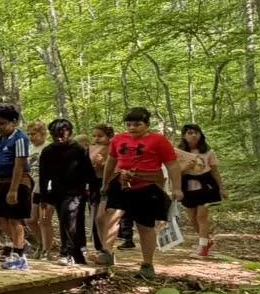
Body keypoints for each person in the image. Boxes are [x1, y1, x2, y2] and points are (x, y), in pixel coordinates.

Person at [94, 106, 182, 281]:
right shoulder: (119, 139)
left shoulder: (158, 140)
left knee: (145, 226)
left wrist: (177, 188)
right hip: (121, 184)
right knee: (110, 215)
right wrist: (105, 182)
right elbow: (111, 161)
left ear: (147, 124)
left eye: (137, 124)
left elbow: (172, 164)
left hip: (147, 187)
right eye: (129, 124)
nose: (132, 128)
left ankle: (147, 265)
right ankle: (107, 252)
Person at [38, 119, 98, 265]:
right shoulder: (48, 151)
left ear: (69, 133)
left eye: (62, 135)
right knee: (67, 221)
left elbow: (89, 171)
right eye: (55, 135)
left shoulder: (78, 150)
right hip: (58, 191)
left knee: (70, 218)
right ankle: (78, 254)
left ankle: (67, 252)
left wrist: (93, 190)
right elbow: (43, 175)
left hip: (77, 191)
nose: (59, 138)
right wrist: (44, 197)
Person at [0, 104, 33, 270]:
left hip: (19, 181)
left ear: (13, 122)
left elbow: (19, 165)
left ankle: (20, 257)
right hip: (0, 180)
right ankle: (21, 242)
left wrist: (13, 190)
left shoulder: (20, 139)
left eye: (2, 124)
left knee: (14, 219)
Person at [177, 123, 224, 257]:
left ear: (200, 135)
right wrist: (186, 167)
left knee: (201, 216)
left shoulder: (208, 152)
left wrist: (222, 188)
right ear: (184, 136)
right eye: (190, 133)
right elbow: (175, 172)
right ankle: (206, 241)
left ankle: (202, 247)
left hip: (206, 185)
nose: (193, 135)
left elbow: (215, 171)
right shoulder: (178, 153)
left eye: (196, 132)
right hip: (187, 186)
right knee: (192, 218)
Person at [26, 119, 53, 258]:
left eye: (34, 134)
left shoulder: (49, 147)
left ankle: (47, 250)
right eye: (29, 134)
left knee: (44, 219)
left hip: (46, 187)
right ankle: (41, 243)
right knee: (30, 219)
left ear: (42, 133)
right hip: (31, 187)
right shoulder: (28, 148)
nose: (31, 137)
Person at [88, 124, 113, 251]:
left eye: (100, 136)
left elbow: (114, 166)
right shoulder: (91, 148)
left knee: (103, 216)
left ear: (109, 136)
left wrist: (103, 164)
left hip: (108, 183)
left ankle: (107, 246)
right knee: (95, 214)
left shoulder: (112, 148)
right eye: (94, 136)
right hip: (94, 183)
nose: (96, 138)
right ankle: (99, 247)